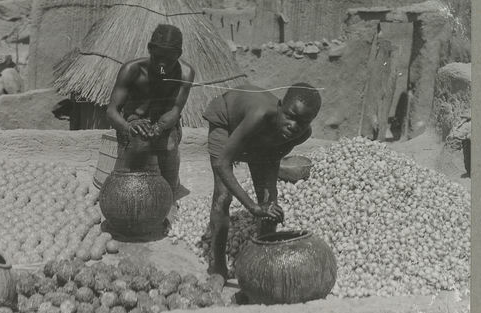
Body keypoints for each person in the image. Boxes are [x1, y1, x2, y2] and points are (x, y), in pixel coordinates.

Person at [202, 82, 322, 279]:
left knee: (270, 206)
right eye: (290, 116)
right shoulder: (260, 115)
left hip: (257, 137)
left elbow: (272, 158)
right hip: (227, 119)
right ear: (281, 105)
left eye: (302, 122)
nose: (293, 126)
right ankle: (218, 267)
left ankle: (261, 264)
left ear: (311, 121)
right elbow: (222, 163)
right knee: (223, 197)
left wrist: (268, 199)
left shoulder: (302, 134)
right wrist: (252, 207)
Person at [105, 24, 195, 205]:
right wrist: (128, 127)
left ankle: (167, 199)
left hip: (165, 124)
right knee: (138, 150)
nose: (162, 65)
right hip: (133, 123)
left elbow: (175, 110)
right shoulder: (132, 70)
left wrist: (160, 127)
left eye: (168, 60)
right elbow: (111, 111)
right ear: (149, 48)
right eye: (158, 57)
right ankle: (128, 198)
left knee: (169, 146)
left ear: (179, 54)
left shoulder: (185, 73)